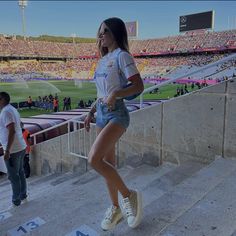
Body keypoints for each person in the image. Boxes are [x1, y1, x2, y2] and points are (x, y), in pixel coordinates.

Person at [84, 17, 144, 231]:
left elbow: (139, 85)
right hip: (101, 113)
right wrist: (91, 112)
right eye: (99, 31)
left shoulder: (122, 56)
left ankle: (129, 196)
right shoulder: (103, 59)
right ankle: (115, 207)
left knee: (94, 159)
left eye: (105, 31)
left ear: (116, 33)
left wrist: (117, 93)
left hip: (117, 114)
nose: (101, 35)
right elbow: (102, 93)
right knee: (107, 164)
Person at [0, 92, 27, 207]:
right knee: (20, 172)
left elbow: (12, 130)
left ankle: (16, 200)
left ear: (2, 100)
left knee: (13, 176)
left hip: (13, 150)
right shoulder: (12, 109)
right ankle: (23, 194)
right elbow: (20, 125)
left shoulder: (5, 112)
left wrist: (7, 151)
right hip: (20, 147)